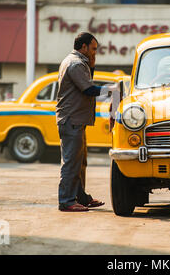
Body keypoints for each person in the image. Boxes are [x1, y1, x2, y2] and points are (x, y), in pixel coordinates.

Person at [56, 32, 112, 212]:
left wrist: (93, 65)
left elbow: (86, 83)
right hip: (72, 119)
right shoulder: (76, 64)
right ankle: (66, 201)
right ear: (84, 47)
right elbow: (88, 89)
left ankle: (81, 197)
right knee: (72, 162)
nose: (95, 52)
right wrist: (112, 90)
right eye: (93, 49)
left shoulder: (77, 62)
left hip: (75, 120)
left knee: (79, 163)